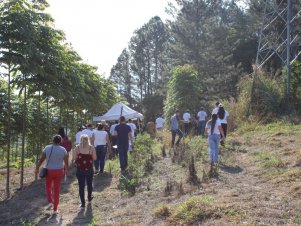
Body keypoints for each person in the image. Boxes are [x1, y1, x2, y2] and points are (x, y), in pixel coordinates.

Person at [35, 135, 68, 215]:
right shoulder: (63, 150)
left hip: (49, 170)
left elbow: (41, 159)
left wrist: (37, 168)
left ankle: (50, 201)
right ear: (60, 141)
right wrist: (66, 169)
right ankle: (55, 209)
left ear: (52, 140)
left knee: (48, 186)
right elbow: (66, 162)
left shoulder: (47, 148)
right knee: (57, 189)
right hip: (59, 171)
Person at [73, 134, 97, 208]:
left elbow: (74, 158)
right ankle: (89, 198)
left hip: (80, 169)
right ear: (88, 140)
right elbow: (95, 158)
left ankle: (83, 203)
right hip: (89, 168)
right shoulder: (91, 148)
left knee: (81, 186)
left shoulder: (77, 148)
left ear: (80, 140)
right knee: (89, 184)